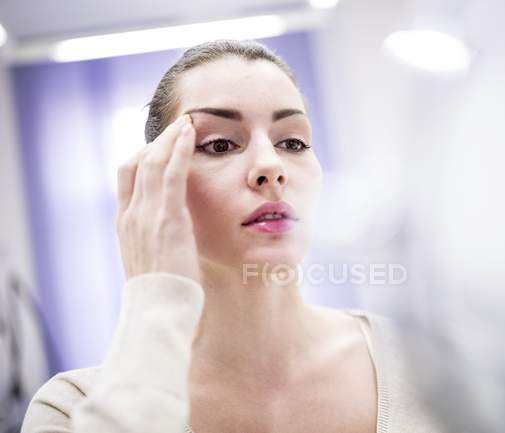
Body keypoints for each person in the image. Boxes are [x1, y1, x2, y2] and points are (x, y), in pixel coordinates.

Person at [19, 40, 437, 433]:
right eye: (219, 145)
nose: (271, 166)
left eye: (293, 141)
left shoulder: (425, 362)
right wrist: (154, 292)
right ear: (157, 180)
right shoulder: (70, 408)